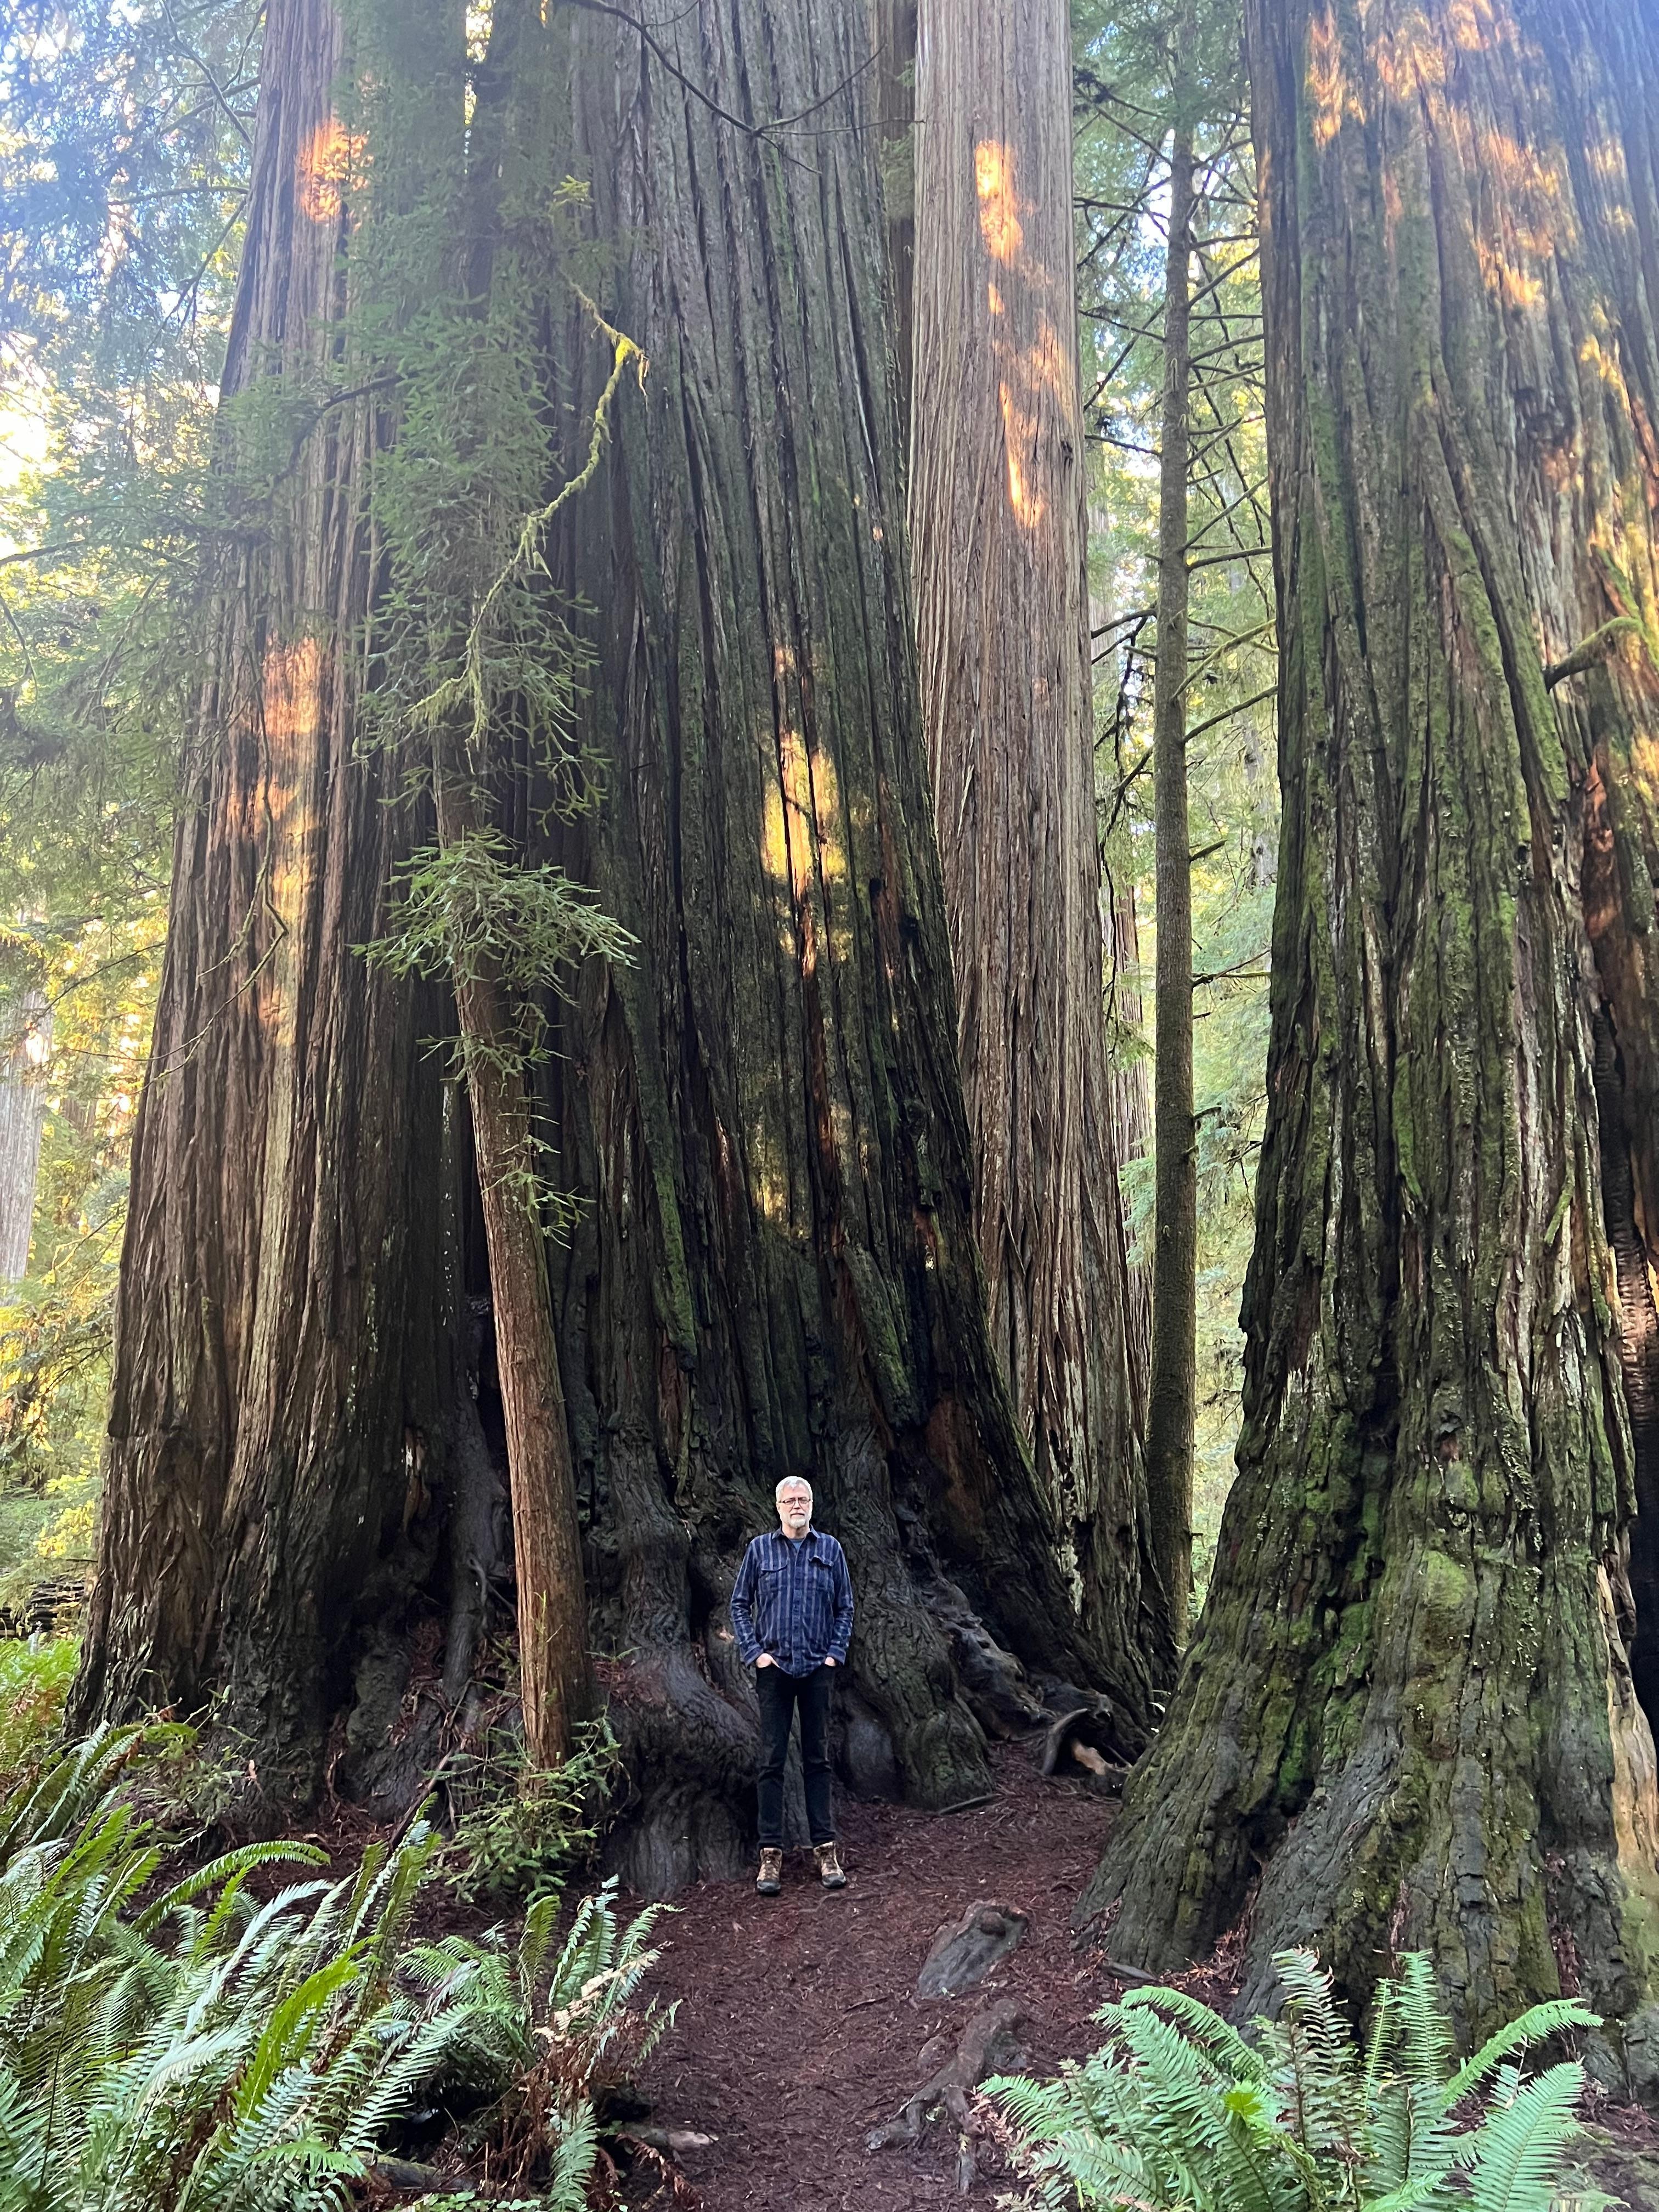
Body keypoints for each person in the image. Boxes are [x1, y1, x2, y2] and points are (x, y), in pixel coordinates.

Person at [729, 1475, 854, 1894]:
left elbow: (845, 1607)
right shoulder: (759, 1550)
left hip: (818, 1668)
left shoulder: (831, 1549)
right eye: (790, 1500)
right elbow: (739, 1603)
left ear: (812, 1505)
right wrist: (756, 1653)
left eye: (803, 1499)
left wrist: (835, 1653)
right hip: (775, 1669)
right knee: (771, 1761)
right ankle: (770, 1856)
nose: (797, 1505)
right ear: (778, 1507)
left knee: (817, 1759)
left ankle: (825, 1850)